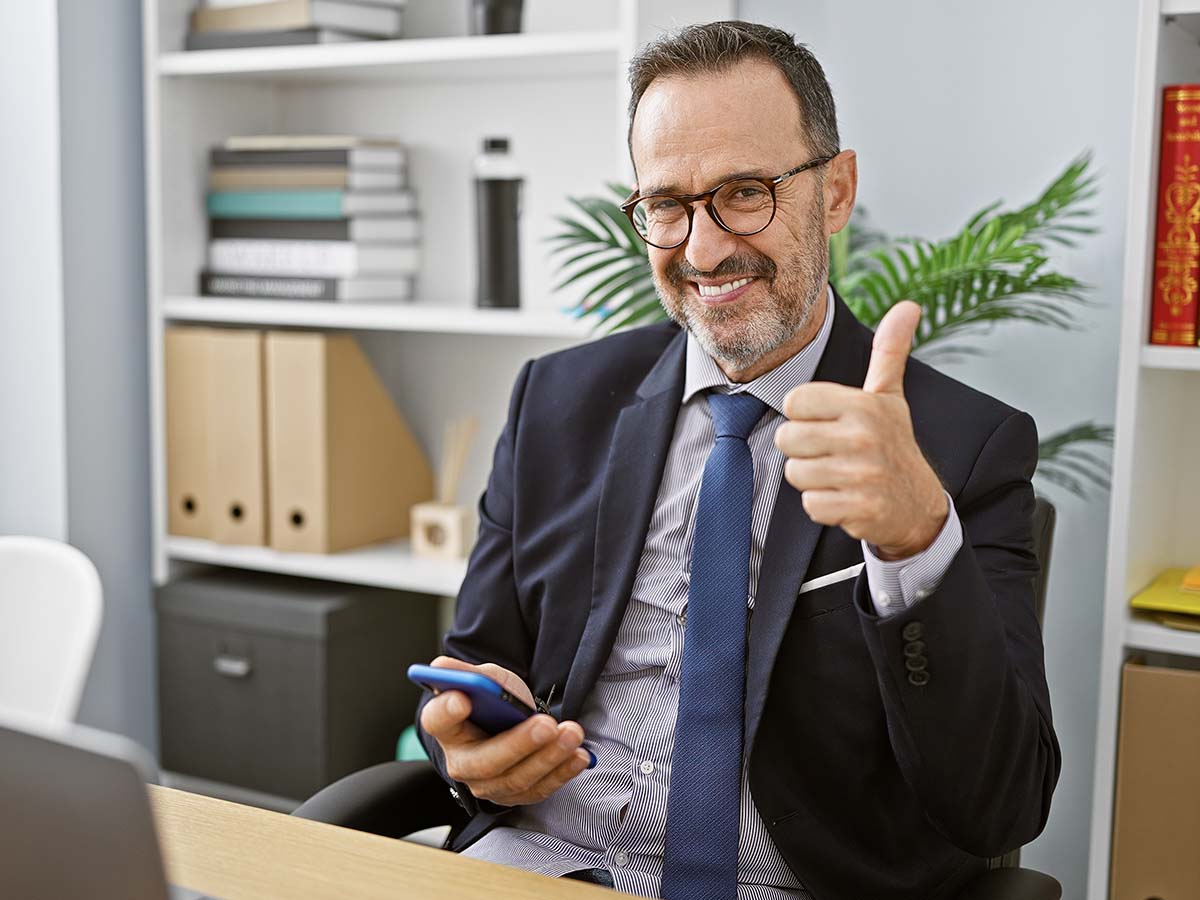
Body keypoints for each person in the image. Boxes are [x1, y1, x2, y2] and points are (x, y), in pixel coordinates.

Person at [418, 20, 1059, 900]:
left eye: (746, 192)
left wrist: (916, 540)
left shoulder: (960, 446)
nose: (704, 248)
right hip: (539, 864)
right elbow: (465, 680)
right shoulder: (556, 405)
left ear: (835, 193)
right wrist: (462, 748)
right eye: (668, 205)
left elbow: (1003, 804)